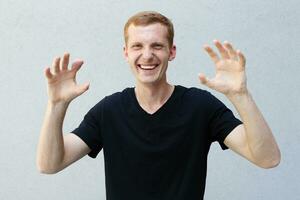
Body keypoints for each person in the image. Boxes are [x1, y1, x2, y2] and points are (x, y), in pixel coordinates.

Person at [36, 11, 281, 200]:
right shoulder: (108, 111)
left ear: (171, 52)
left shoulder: (201, 106)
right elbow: (49, 164)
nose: (147, 55)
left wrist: (241, 95)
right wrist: (56, 105)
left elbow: (267, 158)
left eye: (157, 46)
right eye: (137, 46)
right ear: (126, 53)